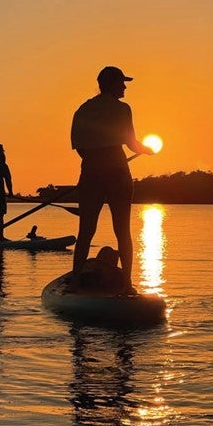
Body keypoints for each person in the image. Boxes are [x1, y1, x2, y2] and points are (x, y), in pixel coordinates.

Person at [69, 66, 153, 295]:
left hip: (90, 171)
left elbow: (80, 147)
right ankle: (126, 285)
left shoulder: (83, 109)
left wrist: (95, 163)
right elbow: (132, 144)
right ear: (111, 84)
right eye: (121, 83)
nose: (125, 87)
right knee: (122, 230)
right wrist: (146, 150)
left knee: (85, 230)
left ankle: (75, 282)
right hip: (117, 171)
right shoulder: (123, 109)